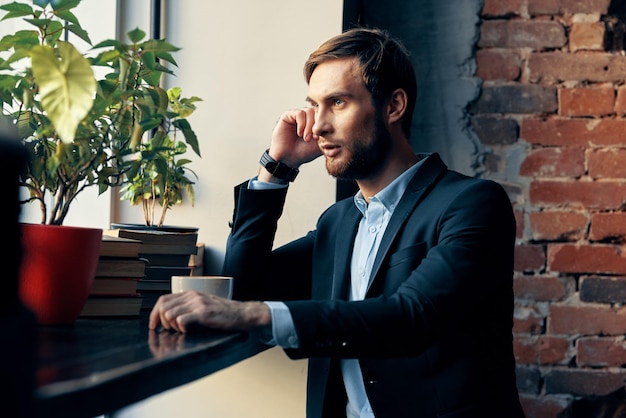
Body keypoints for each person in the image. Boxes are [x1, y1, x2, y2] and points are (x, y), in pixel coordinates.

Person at [149, 27, 525, 418]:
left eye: (338, 103)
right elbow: (242, 291)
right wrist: (277, 170)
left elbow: (412, 317)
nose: (318, 126)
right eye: (314, 105)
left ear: (394, 106)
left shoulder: (472, 203)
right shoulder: (338, 222)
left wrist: (254, 315)